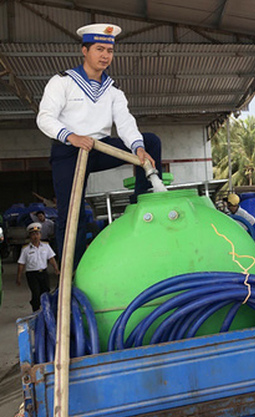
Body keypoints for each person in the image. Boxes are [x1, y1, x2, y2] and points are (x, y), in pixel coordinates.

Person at [36, 23, 162, 267]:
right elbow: (44, 118)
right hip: (69, 151)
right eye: (99, 49)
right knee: (72, 215)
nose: (105, 56)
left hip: (101, 148)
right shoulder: (62, 82)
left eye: (110, 51)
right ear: (84, 51)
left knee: (151, 141)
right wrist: (70, 136)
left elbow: (125, 122)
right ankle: (72, 274)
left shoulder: (113, 91)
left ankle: (141, 203)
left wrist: (138, 147)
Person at [16, 223, 59, 312]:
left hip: (43, 272)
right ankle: (35, 310)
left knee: (46, 291)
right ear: (30, 236)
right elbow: (21, 264)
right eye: (33, 234)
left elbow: (51, 258)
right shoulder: (26, 249)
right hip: (32, 274)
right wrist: (18, 277)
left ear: (40, 235)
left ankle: (46, 311)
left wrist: (56, 269)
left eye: (37, 234)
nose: (35, 236)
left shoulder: (46, 246)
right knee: (36, 293)